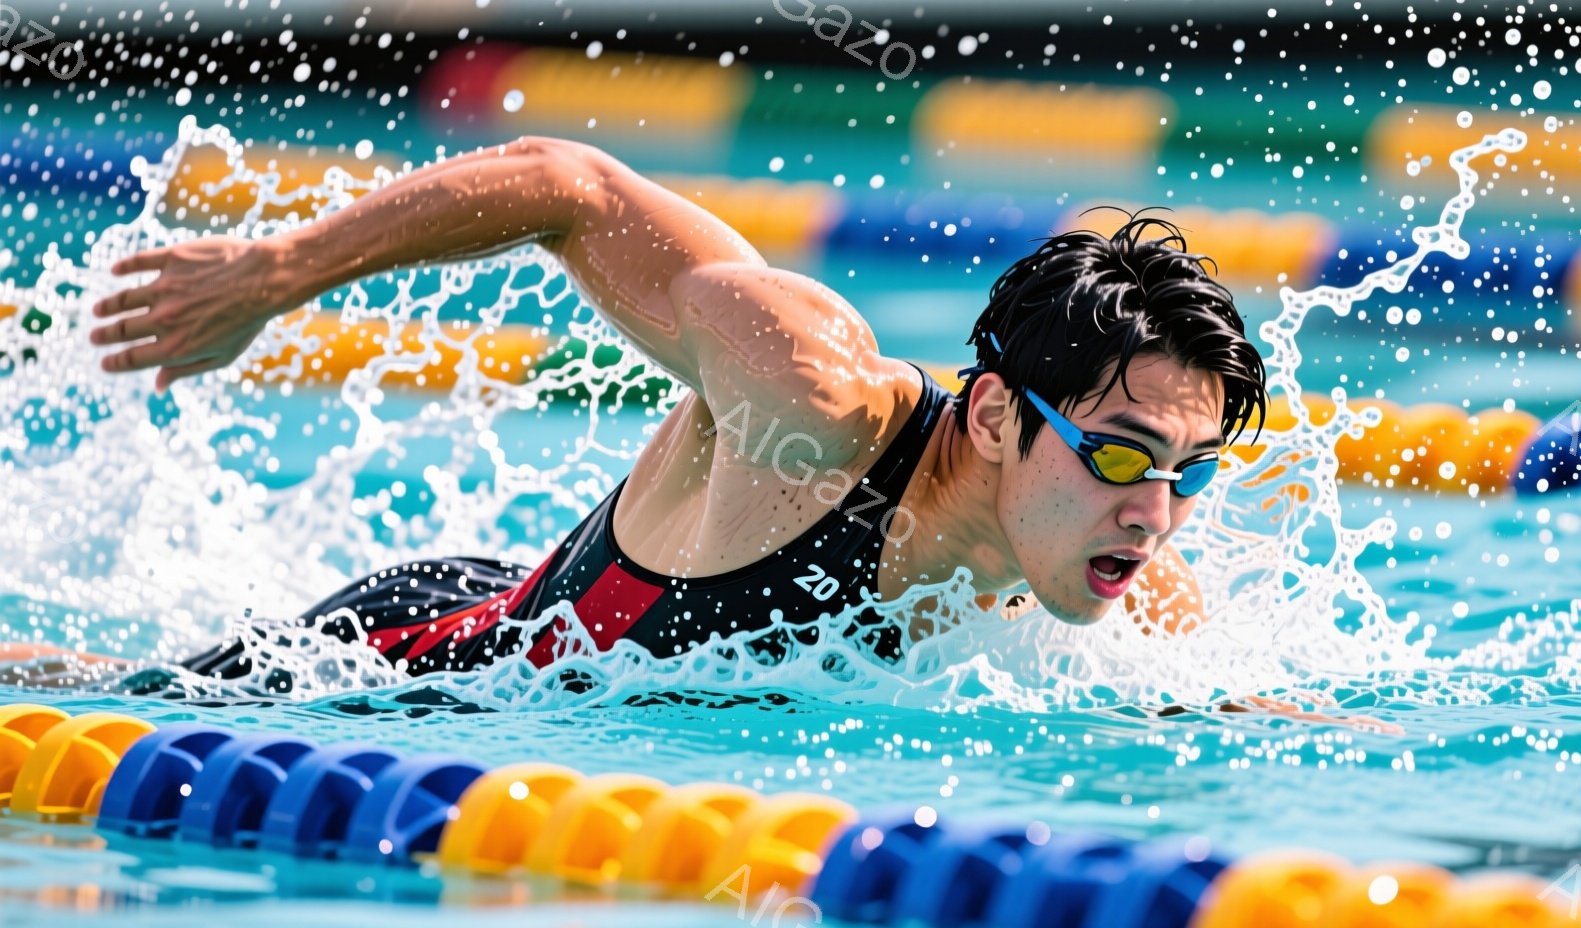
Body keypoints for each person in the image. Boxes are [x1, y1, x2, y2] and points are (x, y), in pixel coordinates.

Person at [31, 137, 1269, 693]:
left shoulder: (1122, 564)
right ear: (993, 414)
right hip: (425, 661)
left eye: (1188, 471)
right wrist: (274, 273)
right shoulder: (811, 403)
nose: (1155, 512)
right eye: (1117, 452)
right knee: (99, 695)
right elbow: (568, 188)